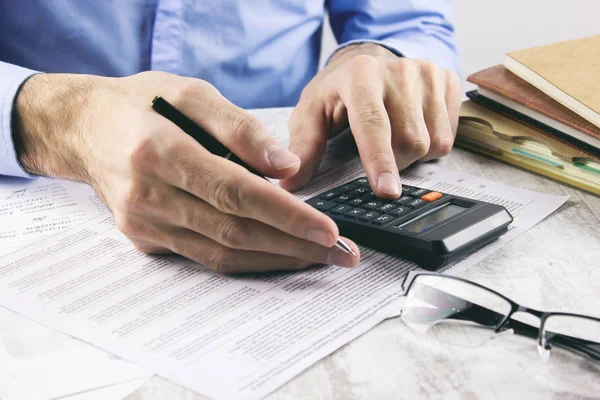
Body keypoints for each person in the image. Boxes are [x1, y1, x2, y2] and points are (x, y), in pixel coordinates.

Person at [0, 1, 461, 273]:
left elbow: (408, 21)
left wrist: (379, 56)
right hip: (38, 203)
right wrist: (62, 121)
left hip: (291, 174)